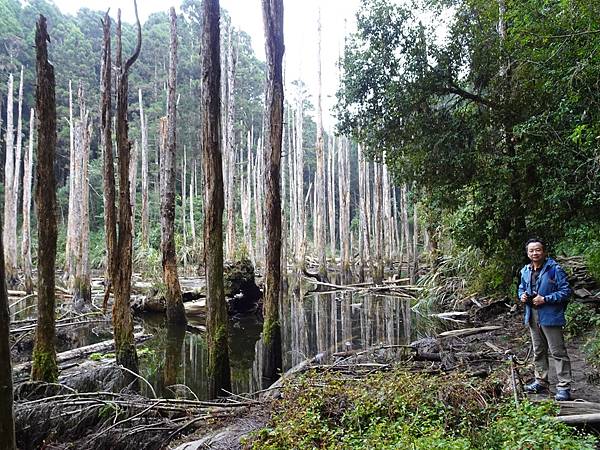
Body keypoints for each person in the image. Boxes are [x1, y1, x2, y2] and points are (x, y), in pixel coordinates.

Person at [518, 238, 573, 401]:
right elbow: (521, 288)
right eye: (531, 251)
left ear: (544, 251)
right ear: (528, 253)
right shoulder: (525, 270)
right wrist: (522, 295)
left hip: (550, 315)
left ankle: (564, 386)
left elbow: (566, 292)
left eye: (538, 250)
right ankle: (541, 381)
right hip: (532, 315)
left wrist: (546, 299)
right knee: (539, 350)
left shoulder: (554, 269)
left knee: (558, 351)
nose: (535, 253)